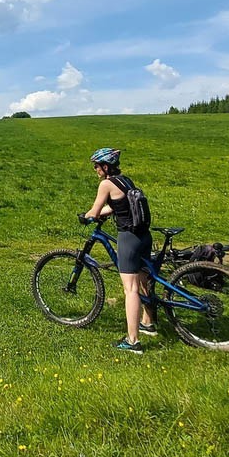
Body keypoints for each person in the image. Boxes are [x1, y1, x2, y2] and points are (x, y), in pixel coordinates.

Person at [83, 147, 155, 354]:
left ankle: (133, 341)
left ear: (106, 167)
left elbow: (95, 211)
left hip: (128, 238)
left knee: (130, 289)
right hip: (143, 236)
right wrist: (103, 213)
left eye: (97, 166)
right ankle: (148, 322)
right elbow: (119, 205)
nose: (95, 169)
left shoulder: (105, 184)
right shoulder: (125, 180)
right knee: (143, 279)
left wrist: (87, 216)